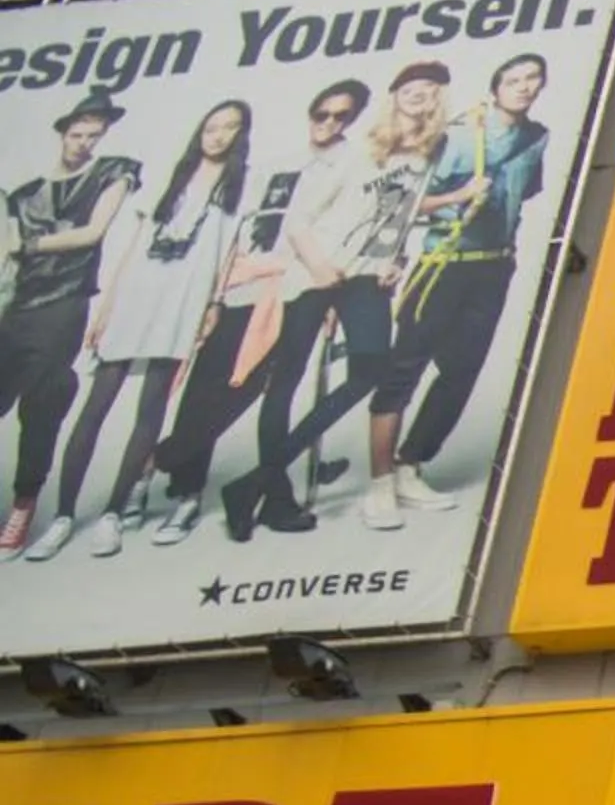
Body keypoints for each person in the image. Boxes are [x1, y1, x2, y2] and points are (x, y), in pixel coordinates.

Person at [221, 60, 443, 541]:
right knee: (286, 381)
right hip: (313, 269)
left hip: (365, 276)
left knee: (370, 370)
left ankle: (251, 483)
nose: (419, 94)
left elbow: (397, 221)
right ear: (395, 94)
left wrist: (397, 261)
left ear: (436, 99)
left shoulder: (426, 155)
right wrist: (320, 268)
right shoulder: (360, 149)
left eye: (429, 89)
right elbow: (299, 218)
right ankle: (276, 500)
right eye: (410, 86)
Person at [20, 100, 249, 562]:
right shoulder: (172, 174)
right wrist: (107, 306)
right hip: (139, 292)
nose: (218, 134)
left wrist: (214, 303)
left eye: (230, 127)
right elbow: (134, 245)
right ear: (199, 130)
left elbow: (229, 251)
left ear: (241, 135)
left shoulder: (242, 186)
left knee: (151, 408)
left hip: (183, 299)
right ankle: (64, 516)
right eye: (212, 125)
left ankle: (112, 512)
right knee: (96, 406)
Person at [147, 81, 361, 546]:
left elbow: (341, 237)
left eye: (339, 116)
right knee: (206, 386)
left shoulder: (351, 167)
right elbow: (238, 232)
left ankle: (164, 459)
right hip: (241, 284)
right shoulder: (274, 166)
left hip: (295, 289)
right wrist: (216, 295)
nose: (327, 122)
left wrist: (331, 298)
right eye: (320, 113)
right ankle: (183, 484)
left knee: (255, 387)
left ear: (352, 119)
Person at [366, 51, 550, 515]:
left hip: (493, 267)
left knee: (463, 370)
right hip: (444, 262)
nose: (524, 87)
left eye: (533, 79)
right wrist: (458, 196)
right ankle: (380, 482)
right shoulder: (458, 135)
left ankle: (411, 464)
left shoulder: (536, 137)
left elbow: (525, 192)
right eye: (514, 79)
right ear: (495, 88)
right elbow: (400, 200)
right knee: (405, 366)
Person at [0, 90, 137, 559]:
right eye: (77, 133)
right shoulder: (22, 195)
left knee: (42, 404)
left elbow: (93, 233)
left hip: (63, 305)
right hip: (15, 307)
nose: (84, 142)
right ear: (63, 132)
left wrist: (28, 246)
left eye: (94, 134)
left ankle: (23, 507)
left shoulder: (112, 173)